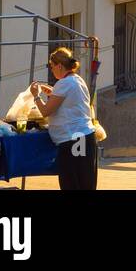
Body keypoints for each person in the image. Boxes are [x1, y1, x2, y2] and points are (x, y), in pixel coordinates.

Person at [29, 47, 98, 190]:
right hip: (85, 136)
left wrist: (36, 96)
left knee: (72, 184)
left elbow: (45, 111)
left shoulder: (64, 83)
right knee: (85, 183)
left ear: (59, 66)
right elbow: (71, 101)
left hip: (73, 139)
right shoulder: (77, 79)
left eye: (52, 66)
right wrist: (53, 93)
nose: (52, 70)